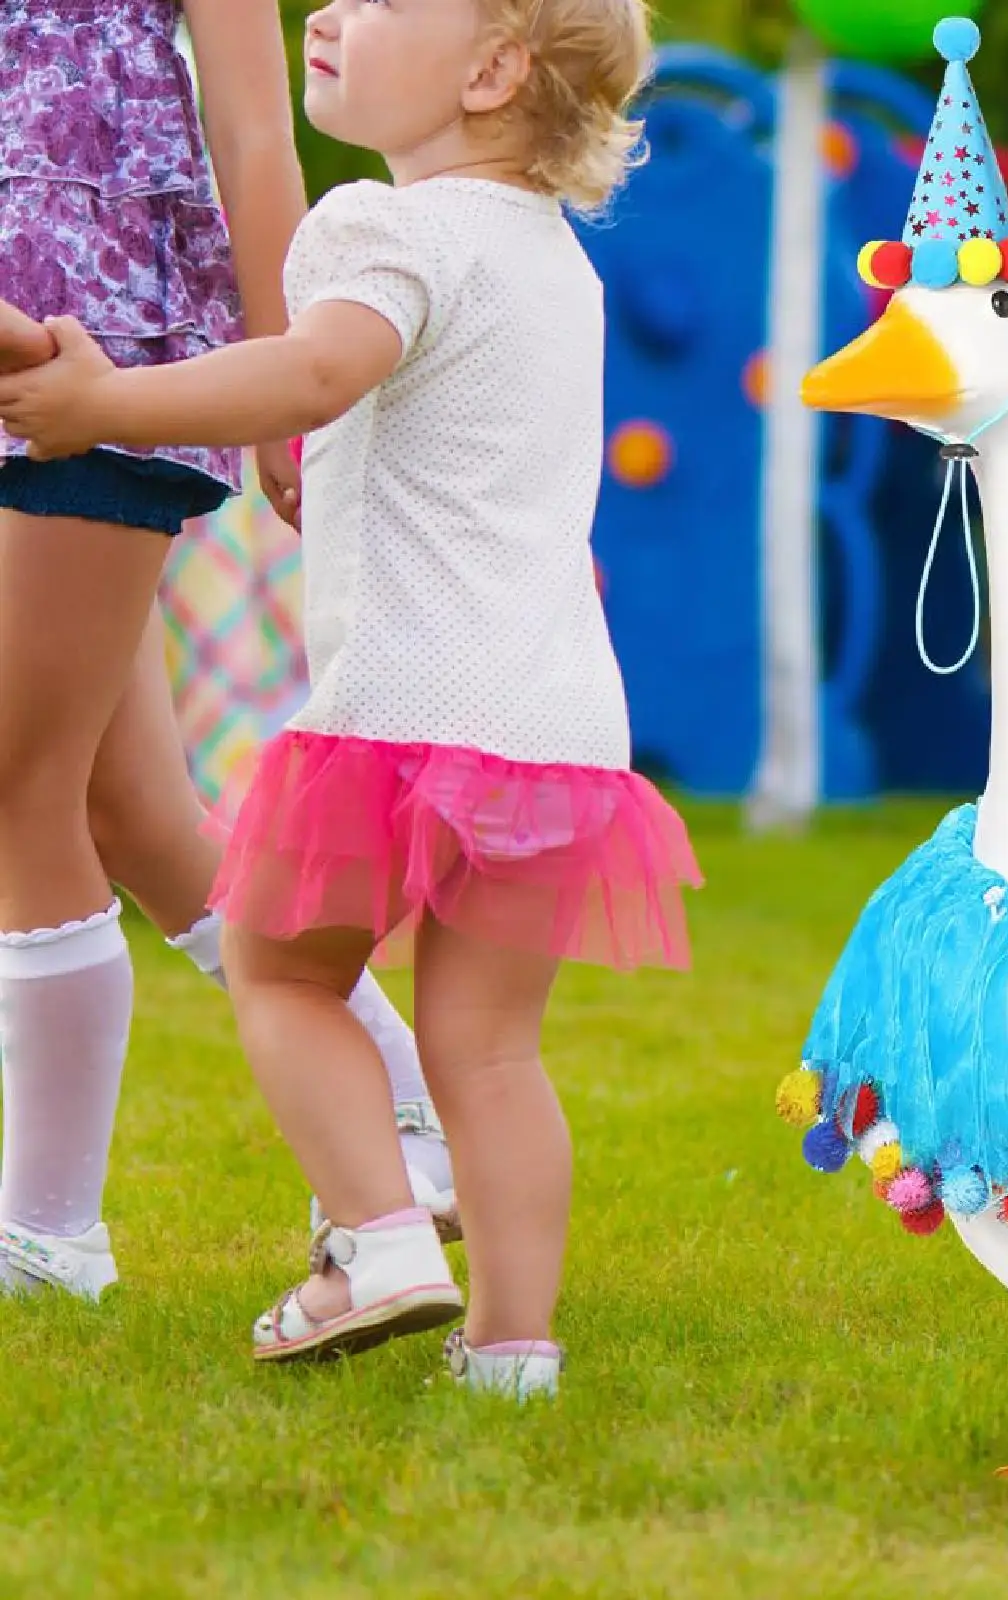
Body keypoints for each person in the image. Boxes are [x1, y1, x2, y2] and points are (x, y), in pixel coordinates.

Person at [0, 0, 701, 1401]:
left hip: (398, 719)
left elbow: (314, 372)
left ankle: (376, 1241)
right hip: (556, 734)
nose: (328, 11)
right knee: (490, 1055)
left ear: (492, 73)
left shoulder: (382, 230)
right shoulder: (558, 261)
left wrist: (108, 407)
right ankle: (512, 1353)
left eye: (379, 2)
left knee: (281, 973)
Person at [0, 0, 457, 1305]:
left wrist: (277, 394)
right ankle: (409, 1121)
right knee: (134, 815)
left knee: (18, 786)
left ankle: (47, 1238)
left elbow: (256, 130)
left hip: (95, 334)